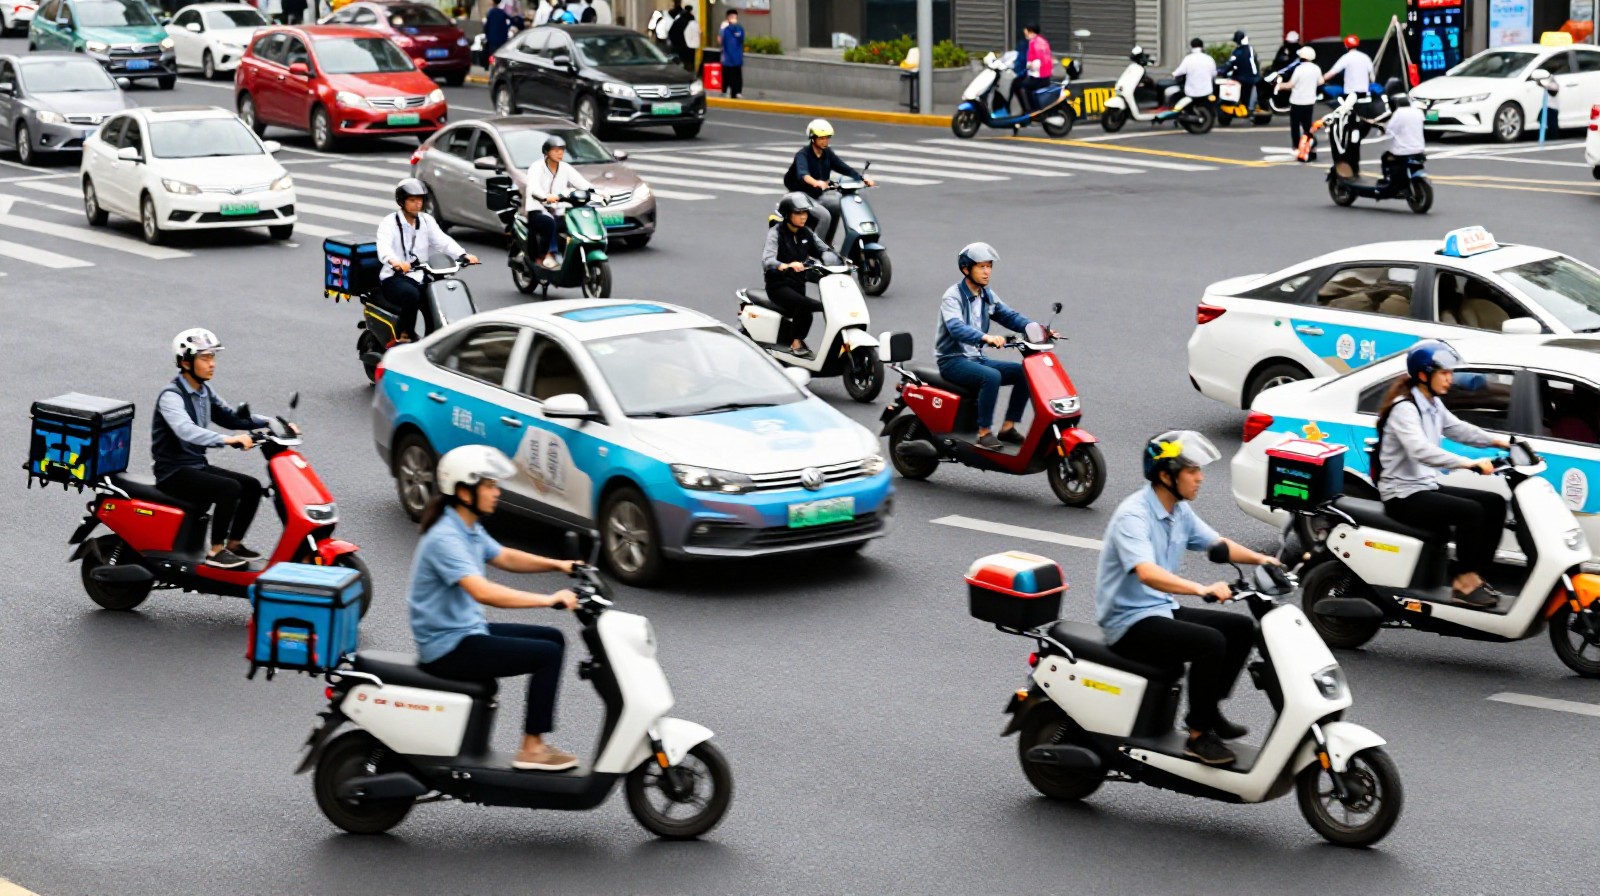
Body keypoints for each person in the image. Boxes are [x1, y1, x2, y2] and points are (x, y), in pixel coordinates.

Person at [1098, 431, 1281, 767]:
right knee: (1209, 642)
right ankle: (1198, 737)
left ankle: (1207, 712)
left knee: (1241, 628)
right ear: (1167, 476)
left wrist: (1262, 560)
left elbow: (1216, 543)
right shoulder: (1133, 516)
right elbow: (1147, 573)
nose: (1200, 478)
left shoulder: (1177, 510)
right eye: (1192, 471)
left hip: (1159, 609)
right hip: (1128, 622)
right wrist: (1201, 588)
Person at [408, 445, 582, 772]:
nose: (496, 492)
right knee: (547, 654)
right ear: (463, 490)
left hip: (466, 632)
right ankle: (532, 748)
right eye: (489, 486)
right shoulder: (446, 538)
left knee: (554, 639)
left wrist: (559, 565)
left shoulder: (467, 526)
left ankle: (535, 743)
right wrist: (548, 599)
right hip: (448, 647)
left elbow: (503, 556)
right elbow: (483, 592)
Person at [1374, 341, 1511, 610]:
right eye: (1444, 373)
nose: (1450, 378)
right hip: (1402, 495)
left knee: (1494, 503)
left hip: (1424, 486)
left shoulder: (1432, 403)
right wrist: (1469, 464)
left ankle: (1475, 577)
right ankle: (1463, 584)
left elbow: (1459, 429)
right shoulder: (1405, 409)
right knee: (1470, 512)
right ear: (1424, 375)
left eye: (1450, 372)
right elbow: (1420, 450)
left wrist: (1501, 442)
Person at [153, 329, 277, 570]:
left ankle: (234, 544)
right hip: (173, 472)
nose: (212, 364)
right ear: (186, 362)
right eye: (205, 358)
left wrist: (272, 422)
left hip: (195, 465)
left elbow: (232, 417)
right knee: (229, 489)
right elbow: (185, 430)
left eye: (213, 358)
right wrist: (228, 440)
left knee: (250, 486)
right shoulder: (171, 396)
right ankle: (216, 552)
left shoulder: (203, 391)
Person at [934, 243, 1059, 451]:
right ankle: (983, 433)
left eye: (989, 266)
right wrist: (986, 337)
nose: (987, 272)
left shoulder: (986, 295)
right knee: (991, 377)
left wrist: (1039, 329)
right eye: (981, 267)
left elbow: (1008, 316)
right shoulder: (953, 296)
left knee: (1024, 372)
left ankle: (1008, 428)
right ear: (966, 269)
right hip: (953, 359)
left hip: (976, 358)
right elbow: (956, 327)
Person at [377, 179, 477, 341]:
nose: (418, 204)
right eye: (412, 200)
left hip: (419, 276)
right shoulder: (389, 223)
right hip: (394, 278)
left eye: (420, 200)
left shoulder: (426, 221)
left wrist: (463, 255)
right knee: (411, 295)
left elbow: (442, 241)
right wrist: (394, 262)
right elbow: (384, 247)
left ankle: (432, 339)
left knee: (435, 297)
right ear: (401, 201)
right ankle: (405, 334)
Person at [762, 192, 834, 360]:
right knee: (809, 306)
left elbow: (823, 250)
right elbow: (767, 260)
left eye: (805, 213)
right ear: (788, 215)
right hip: (778, 286)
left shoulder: (806, 233)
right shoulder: (776, 233)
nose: (803, 217)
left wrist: (840, 261)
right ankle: (796, 344)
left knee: (807, 305)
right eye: (799, 213)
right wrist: (785, 265)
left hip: (797, 285)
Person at [784, 119, 874, 246]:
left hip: (818, 193)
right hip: (801, 195)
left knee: (838, 204)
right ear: (812, 138)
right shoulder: (803, 155)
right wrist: (816, 182)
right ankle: (817, 248)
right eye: (821, 138)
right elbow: (803, 175)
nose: (825, 141)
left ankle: (828, 242)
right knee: (824, 215)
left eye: (827, 138)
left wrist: (861, 178)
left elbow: (843, 167)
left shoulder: (827, 153)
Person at [523, 135, 596, 271]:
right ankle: (545, 256)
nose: (560, 153)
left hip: (559, 208)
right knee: (550, 222)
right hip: (537, 209)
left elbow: (582, 184)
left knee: (576, 221)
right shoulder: (536, 167)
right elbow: (534, 188)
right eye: (556, 150)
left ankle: (572, 256)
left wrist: (598, 192)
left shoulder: (565, 168)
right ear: (547, 152)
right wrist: (545, 197)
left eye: (562, 150)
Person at [1279, 45, 1321, 160]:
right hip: (1310, 101)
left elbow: (1291, 84)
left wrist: (1279, 86)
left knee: (1295, 126)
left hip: (1297, 101)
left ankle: (1298, 147)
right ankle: (1311, 147)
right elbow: (1321, 81)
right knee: (1308, 126)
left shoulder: (1299, 69)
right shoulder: (1316, 69)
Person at [1378, 88, 1424, 189]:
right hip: (1419, 149)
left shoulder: (1398, 114)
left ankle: (1387, 178)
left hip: (1403, 152)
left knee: (1385, 157)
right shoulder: (1418, 112)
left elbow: (1390, 130)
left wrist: (1382, 131)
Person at [1219, 29, 1259, 112]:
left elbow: (1230, 64)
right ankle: (1248, 107)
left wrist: (1221, 71)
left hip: (1243, 78)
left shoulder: (1237, 52)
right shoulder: (1251, 49)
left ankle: (1241, 105)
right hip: (1254, 77)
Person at [1171, 37, 1217, 107]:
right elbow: (1214, 74)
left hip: (1191, 93)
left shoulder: (1188, 59)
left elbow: (1179, 72)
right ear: (1202, 46)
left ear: (1191, 46)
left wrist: (1173, 74)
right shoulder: (1209, 59)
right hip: (1207, 91)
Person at [719, 9, 745, 99]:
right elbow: (722, 42)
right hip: (727, 58)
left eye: (735, 17)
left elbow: (740, 39)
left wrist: (734, 28)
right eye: (732, 17)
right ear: (728, 18)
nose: (734, 19)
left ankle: (737, 92)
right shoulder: (725, 30)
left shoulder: (739, 29)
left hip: (736, 58)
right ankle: (724, 91)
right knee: (726, 75)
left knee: (737, 76)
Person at [667, 1, 695, 69]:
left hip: (678, 46)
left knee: (680, 62)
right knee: (688, 62)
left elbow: (671, 33)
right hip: (686, 46)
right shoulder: (689, 22)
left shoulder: (678, 21)